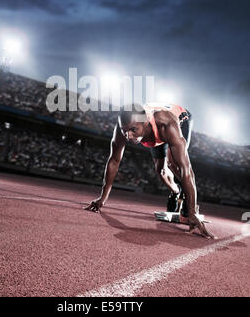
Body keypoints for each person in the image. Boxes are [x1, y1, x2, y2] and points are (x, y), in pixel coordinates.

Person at [85, 102, 216, 239]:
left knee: (173, 163)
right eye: (126, 132)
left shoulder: (166, 125)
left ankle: (185, 197)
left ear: (146, 122)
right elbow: (114, 160)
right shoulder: (124, 127)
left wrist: (192, 212)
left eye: (133, 130)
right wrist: (103, 198)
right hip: (152, 131)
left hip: (181, 120)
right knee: (160, 170)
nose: (128, 137)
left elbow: (187, 169)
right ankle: (175, 192)